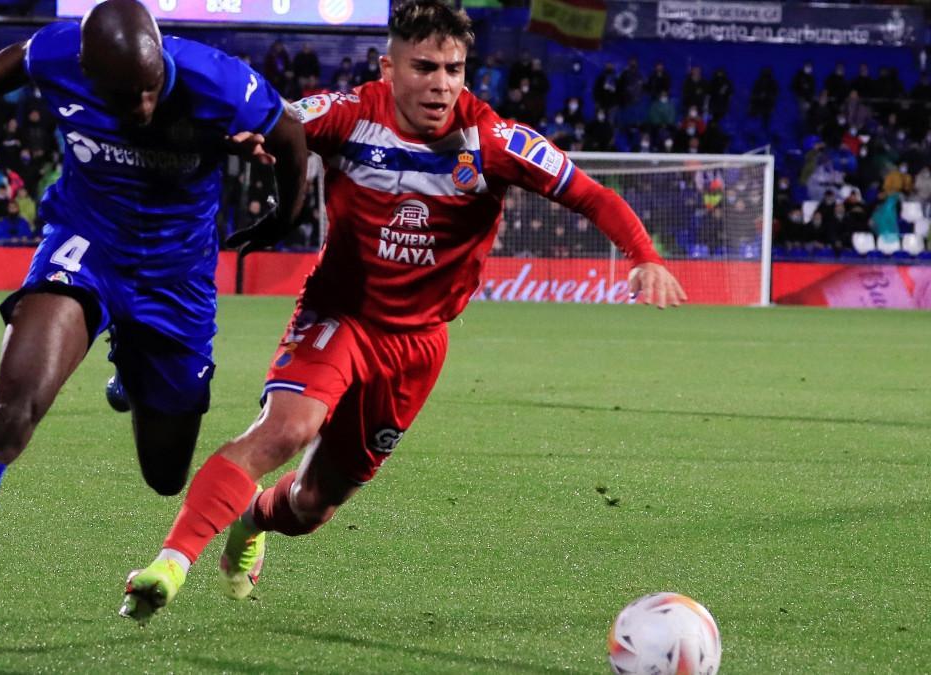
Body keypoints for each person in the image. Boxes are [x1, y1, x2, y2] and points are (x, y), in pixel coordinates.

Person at [119, 0, 686, 624]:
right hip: (340, 315)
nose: (442, 83)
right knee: (287, 430)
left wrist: (642, 254)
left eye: (454, 68)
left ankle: (253, 517)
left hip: (417, 348)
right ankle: (169, 564)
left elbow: (591, 193)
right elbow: (283, 122)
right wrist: (259, 137)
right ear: (388, 68)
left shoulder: (491, 141)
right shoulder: (351, 113)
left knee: (312, 505)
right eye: (424, 67)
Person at [0, 0, 307, 665]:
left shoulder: (219, 81)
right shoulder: (60, 53)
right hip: (85, 245)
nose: (146, 104)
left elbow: (292, 135)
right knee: (10, 415)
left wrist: (282, 215)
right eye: (128, 97)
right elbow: (13, 63)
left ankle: (132, 360)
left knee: (165, 473)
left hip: (174, 278)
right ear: (89, 75)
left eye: (154, 87)